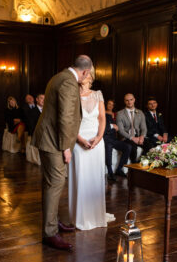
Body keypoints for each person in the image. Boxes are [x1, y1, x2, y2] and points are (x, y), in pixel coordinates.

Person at [32, 55, 92, 250]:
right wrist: (67, 147)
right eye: (88, 74)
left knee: (51, 183)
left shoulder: (60, 76)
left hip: (49, 138)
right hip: (54, 141)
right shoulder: (68, 81)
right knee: (55, 183)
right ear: (85, 71)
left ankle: (53, 221)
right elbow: (65, 117)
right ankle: (50, 233)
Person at [68, 68, 114, 230]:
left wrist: (99, 137)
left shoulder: (97, 94)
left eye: (85, 73)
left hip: (96, 141)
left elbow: (102, 119)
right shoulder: (71, 95)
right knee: (80, 177)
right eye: (81, 72)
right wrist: (79, 140)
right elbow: (69, 122)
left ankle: (95, 215)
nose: (82, 75)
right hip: (78, 140)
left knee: (95, 179)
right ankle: (80, 217)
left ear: (91, 77)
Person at [103, 100, 132, 181]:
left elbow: (120, 127)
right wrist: (112, 126)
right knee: (108, 146)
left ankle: (119, 169)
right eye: (109, 104)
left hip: (114, 138)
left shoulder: (116, 114)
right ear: (106, 104)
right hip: (105, 137)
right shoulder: (102, 113)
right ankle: (110, 172)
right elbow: (101, 127)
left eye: (112, 105)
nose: (110, 106)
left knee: (128, 147)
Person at [116, 93, 147, 163]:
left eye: (131, 100)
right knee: (133, 148)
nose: (129, 102)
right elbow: (121, 131)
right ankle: (134, 166)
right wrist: (132, 138)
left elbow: (144, 128)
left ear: (134, 100)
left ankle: (140, 163)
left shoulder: (140, 112)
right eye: (127, 100)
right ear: (124, 101)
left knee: (150, 145)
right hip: (127, 137)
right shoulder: (120, 113)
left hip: (138, 136)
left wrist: (142, 137)